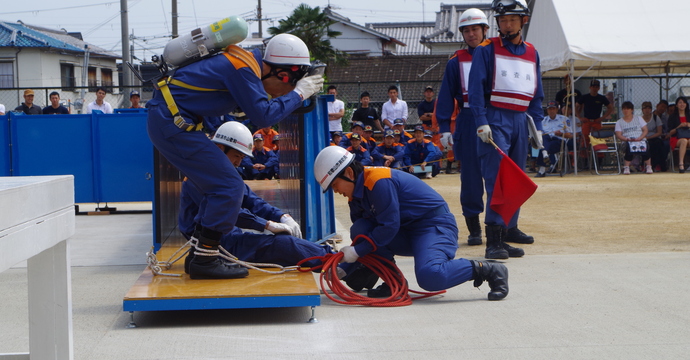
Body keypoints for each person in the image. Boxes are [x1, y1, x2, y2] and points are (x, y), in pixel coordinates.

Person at [146, 33, 323, 279]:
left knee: (227, 185)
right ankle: (205, 260)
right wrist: (299, 94)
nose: (281, 93)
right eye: (287, 87)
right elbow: (264, 116)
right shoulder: (244, 69)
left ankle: (200, 256)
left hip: (171, 121)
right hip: (172, 123)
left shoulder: (243, 64)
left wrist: (278, 216)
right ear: (283, 74)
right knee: (228, 185)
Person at [313, 146, 509, 301]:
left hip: (433, 226)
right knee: (360, 229)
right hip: (406, 231)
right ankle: (394, 282)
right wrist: (344, 268)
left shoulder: (379, 181)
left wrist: (355, 254)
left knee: (431, 277)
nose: (335, 191)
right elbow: (366, 236)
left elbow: (388, 227)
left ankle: (487, 269)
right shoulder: (355, 197)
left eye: (334, 185)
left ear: (349, 172)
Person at [179, 121, 331, 277]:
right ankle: (335, 262)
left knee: (284, 241)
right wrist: (266, 225)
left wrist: (282, 217)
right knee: (286, 245)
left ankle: (334, 259)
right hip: (217, 246)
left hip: (228, 239)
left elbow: (252, 200)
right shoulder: (200, 177)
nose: (238, 162)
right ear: (220, 149)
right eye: (236, 156)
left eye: (242, 157)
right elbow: (228, 212)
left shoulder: (220, 174)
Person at [468, 0, 544, 260]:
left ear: (523, 20)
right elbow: (475, 90)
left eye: (512, 19)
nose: (507, 24)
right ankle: (494, 242)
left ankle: (509, 230)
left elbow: (537, 94)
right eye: (502, 20)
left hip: (521, 120)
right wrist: (481, 121)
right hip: (495, 118)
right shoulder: (486, 50)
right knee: (497, 179)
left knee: (515, 178)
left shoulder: (533, 52)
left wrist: (539, 125)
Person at [437, 7, 491, 246]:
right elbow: (446, 96)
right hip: (468, 119)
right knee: (470, 176)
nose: (471, 34)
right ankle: (474, 228)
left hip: (496, 117)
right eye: (466, 30)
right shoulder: (455, 61)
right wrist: (444, 128)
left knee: (499, 176)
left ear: (485, 30)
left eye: (475, 29)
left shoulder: (496, 54)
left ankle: (505, 227)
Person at [535, 100, 573, 177]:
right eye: (550, 109)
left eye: (553, 109)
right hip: (546, 141)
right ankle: (545, 154)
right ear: (547, 110)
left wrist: (561, 134)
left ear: (557, 109)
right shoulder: (543, 120)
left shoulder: (564, 119)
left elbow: (570, 135)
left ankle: (542, 169)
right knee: (543, 138)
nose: (551, 111)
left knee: (542, 147)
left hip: (559, 141)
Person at [615, 101, 650, 175]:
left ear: (632, 110)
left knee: (645, 145)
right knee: (629, 146)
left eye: (628, 109)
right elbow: (618, 135)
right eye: (624, 109)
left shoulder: (639, 118)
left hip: (639, 139)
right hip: (627, 140)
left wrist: (640, 138)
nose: (626, 111)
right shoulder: (619, 122)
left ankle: (648, 166)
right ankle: (627, 167)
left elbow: (645, 130)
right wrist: (626, 139)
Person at [577, 79, 614, 147]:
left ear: (599, 88)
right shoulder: (585, 97)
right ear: (590, 87)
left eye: (596, 87)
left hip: (596, 121)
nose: (595, 88)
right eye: (593, 87)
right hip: (587, 121)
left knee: (597, 139)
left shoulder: (601, 98)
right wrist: (579, 117)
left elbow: (610, 107)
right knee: (585, 139)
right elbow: (576, 106)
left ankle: (599, 156)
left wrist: (603, 117)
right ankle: (585, 155)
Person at [641, 101, 666, 172]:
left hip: (655, 137)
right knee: (645, 145)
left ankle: (657, 164)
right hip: (644, 138)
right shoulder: (640, 119)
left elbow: (659, 132)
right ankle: (644, 164)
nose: (647, 110)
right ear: (642, 110)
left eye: (649, 108)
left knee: (658, 144)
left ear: (651, 109)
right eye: (645, 108)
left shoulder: (655, 118)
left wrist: (649, 137)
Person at [667, 96, 690, 173]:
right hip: (676, 138)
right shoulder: (672, 117)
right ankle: (681, 164)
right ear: (676, 105)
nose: (682, 104)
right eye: (680, 102)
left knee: (686, 141)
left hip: (688, 136)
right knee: (684, 141)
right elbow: (670, 132)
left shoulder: (689, 115)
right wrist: (679, 126)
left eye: (684, 102)